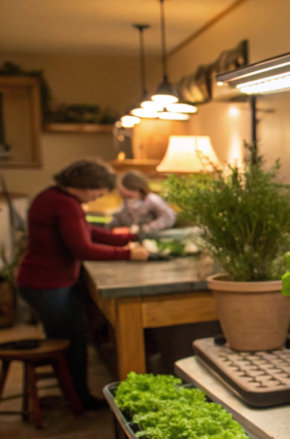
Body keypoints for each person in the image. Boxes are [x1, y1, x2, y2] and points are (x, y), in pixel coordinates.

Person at [16, 160, 149, 410]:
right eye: (98, 190)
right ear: (85, 185)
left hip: (41, 281)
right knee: (72, 341)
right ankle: (79, 400)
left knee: (67, 338)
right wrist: (128, 253)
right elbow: (82, 247)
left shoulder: (53, 196)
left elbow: (87, 231)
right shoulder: (65, 203)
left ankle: (73, 393)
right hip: (47, 283)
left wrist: (129, 238)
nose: (99, 195)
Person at [107, 171, 176, 235]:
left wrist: (144, 228)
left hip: (152, 237)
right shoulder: (126, 203)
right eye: (124, 197)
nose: (128, 200)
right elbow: (120, 219)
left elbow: (169, 217)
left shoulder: (152, 200)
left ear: (139, 189)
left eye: (130, 197)